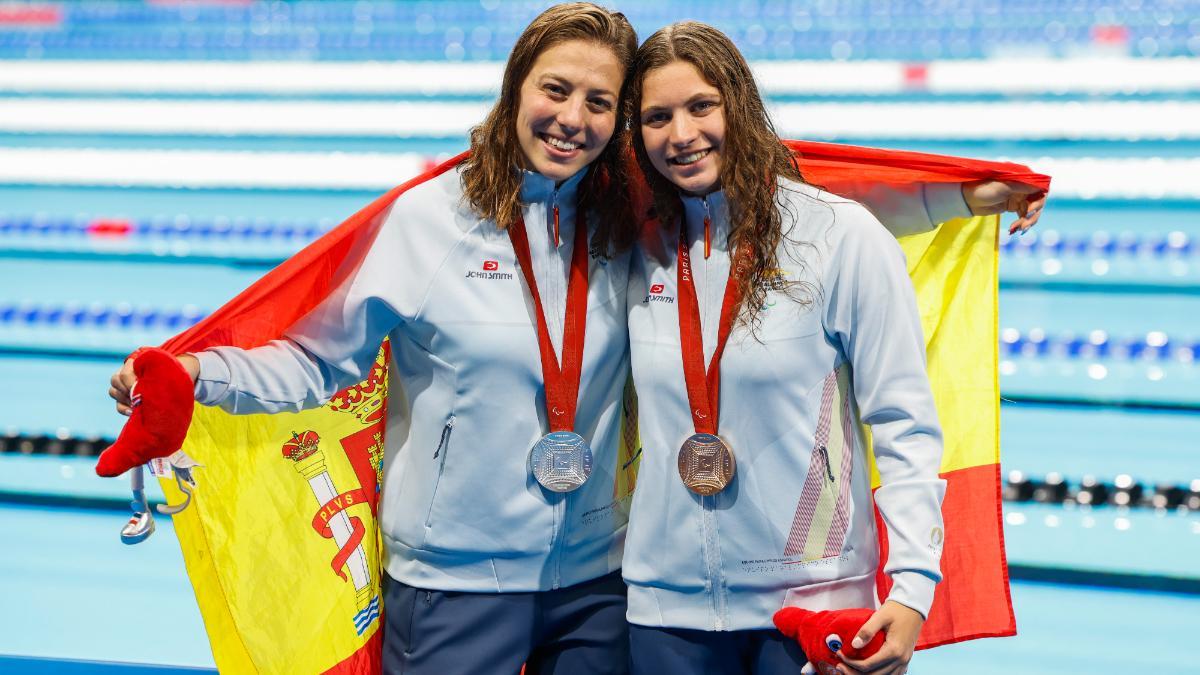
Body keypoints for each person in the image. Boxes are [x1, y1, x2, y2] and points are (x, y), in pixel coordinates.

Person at [105, 6, 1042, 674]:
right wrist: (197, 378)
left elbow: (802, 199)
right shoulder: (429, 224)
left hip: (599, 585)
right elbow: (320, 355)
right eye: (560, 91)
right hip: (454, 582)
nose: (576, 117)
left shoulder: (621, 218)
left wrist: (956, 194)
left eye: (602, 103)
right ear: (518, 88)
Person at [620, 22, 971, 675]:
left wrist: (914, 586)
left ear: (739, 106)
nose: (681, 134)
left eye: (702, 106)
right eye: (657, 117)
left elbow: (904, 421)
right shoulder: (635, 250)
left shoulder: (840, 238)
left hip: (813, 606)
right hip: (667, 616)